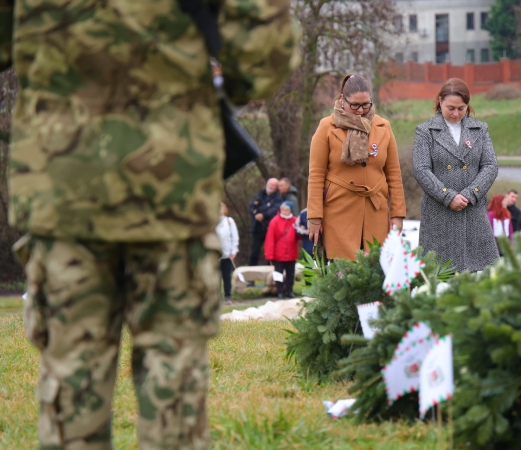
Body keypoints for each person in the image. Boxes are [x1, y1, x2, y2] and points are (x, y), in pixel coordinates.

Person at [1, 0, 298, 447]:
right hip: (170, 199)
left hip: (67, 197)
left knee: (71, 397)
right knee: (174, 401)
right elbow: (259, 64)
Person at [307, 74, 406, 260]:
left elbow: (393, 173)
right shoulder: (326, 127)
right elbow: (316, 175)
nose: (361, 110)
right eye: (355, 105)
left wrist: (398, 214)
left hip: (375, 211)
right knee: (342, 274)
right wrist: (314, 217)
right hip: (338, 212)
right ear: (343, 99)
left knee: (374, 272)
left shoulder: (384, 126)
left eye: (366, 104)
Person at [413, 78, 499, 272]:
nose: (456, 113)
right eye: (450, 108)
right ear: (440, 101)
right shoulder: (425, 131)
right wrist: (448, 196)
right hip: (439, 214)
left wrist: (470, 194)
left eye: (461, 108)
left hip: (473, 212)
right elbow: (421, 169)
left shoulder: (480, 129)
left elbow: (490, 165)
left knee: (481, 274)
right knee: (439, 276)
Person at [265, 201, 300, 298]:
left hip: (291, 253)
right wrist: (269, 254)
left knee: (290, 274)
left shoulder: (295, 220)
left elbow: (299, 236)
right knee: (278, 274)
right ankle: (279, 291)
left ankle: (289, 291)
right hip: (278, 254)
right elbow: (270, 239)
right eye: (282, 209)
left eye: (286, 210)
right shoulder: (274, 221)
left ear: (290, 210)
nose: (284, 211)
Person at [248, 178, 284, 270]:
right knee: (254, 253)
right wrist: (256, 214)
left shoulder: (278, 198)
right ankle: (251, 277)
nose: (271, 186)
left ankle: (270, 276)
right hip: (257, 228)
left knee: (270, 253)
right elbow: (251, 207)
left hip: (270, 229)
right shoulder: (259, 195)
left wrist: (263, 214)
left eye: (273, 185)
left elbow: (275, 209)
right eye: (270, 184)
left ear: (276, 187)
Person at [217, 203, 239, 305]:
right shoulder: (211, 221)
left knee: (226, 276)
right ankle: (215, 297)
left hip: (227, 254)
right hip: (215, 255)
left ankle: (228, 296)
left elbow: (235, 237)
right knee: (215, 276)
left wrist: (233, 251)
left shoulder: (229, 221)